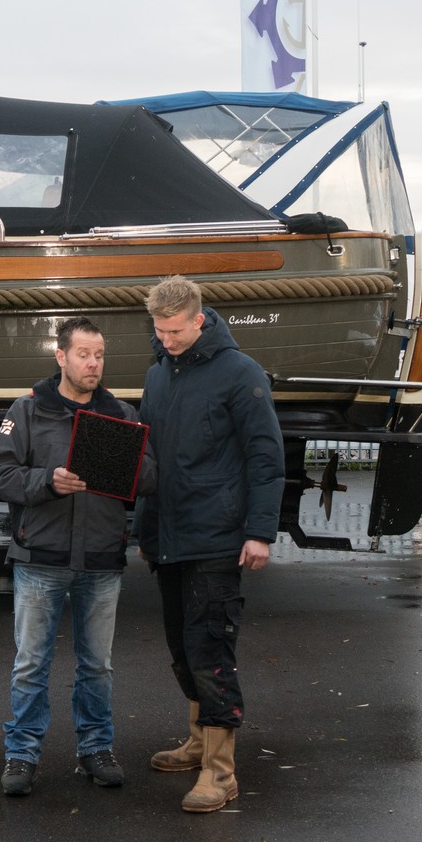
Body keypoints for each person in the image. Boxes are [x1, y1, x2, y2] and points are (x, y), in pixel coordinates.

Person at [0, 316, 156, 797]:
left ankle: (96, 749)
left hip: (101, 561)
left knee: (97, 666)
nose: (93, 364)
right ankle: (22, 755)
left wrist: (125, 464)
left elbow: (151, 478)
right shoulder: (27, 410)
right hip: (40, 559)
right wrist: (48, 481)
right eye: (83, 354)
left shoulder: (121, 414)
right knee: (30, 666)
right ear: (61, 356)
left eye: (99, 355)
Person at [136, 276, 284, 813]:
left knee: (210, 652)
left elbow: (266, 457)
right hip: (168, 536)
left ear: (199, 320)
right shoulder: (157, 374)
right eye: (159, 331)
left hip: (217, 538)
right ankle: (198, 742)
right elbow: (148, 455)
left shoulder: (240, 373)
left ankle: (221, 773)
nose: (166, 340)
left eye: (175, 331)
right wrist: (144, 530)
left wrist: (259, 532)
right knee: (182, 649)